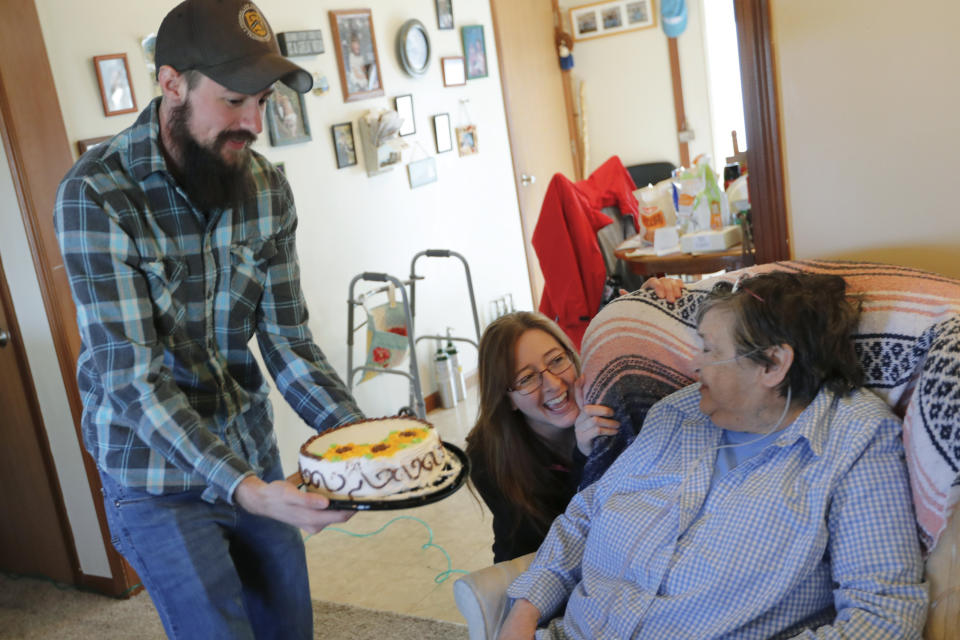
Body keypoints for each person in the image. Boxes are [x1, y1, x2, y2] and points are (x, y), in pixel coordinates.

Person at [54, 1, 360, 637]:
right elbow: (133, 381)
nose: (254, 122)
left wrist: (361, 439)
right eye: (233, 101)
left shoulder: (268, 190)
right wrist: (244, 487)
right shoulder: (97, 196)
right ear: (172, 85)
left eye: (264, 99)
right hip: (153, 475)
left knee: (289, 629)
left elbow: (288, 340)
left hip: (247, 444)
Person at [499, 272, 927, 639]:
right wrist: (524, 611)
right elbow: (586, 514)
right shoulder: (676, 414)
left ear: (773, 365)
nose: (693, 363)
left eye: (710, 350)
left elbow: (883, 617)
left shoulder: (853, 441)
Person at [467, 280, 682, 563]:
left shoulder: (606, 399)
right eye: (527, 378)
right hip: (529, 565)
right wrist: (583, 456)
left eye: (556, 360)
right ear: (506, 397)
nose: (554, 385)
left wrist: (652, 305)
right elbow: (560, 542)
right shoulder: (486, 455)